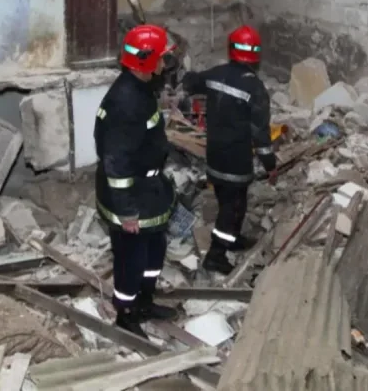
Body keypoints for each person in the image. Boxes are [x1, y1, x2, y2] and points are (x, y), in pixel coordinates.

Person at [94, 24, 180, 339]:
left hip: (148, 189)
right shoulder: (126, 103)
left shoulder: (140, 89)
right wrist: (127, 211)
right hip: (130, 195)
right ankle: (126, 313)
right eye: (161, 58)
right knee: (131, 257)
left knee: (154, 249)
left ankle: (144, 301)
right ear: (146, 61)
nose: (164, 63)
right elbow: (116, 162)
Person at [181, 25, 278, 275]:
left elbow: (192, 82)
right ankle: (216, 254)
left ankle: (232, 238)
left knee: (232, 200)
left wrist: (182, 70)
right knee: (232, 206)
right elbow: (261, 133)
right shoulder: (255, 88)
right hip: (237, 158)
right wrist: (270, 164)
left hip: (214, 153)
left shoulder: (216, 74)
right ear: (256, 56)